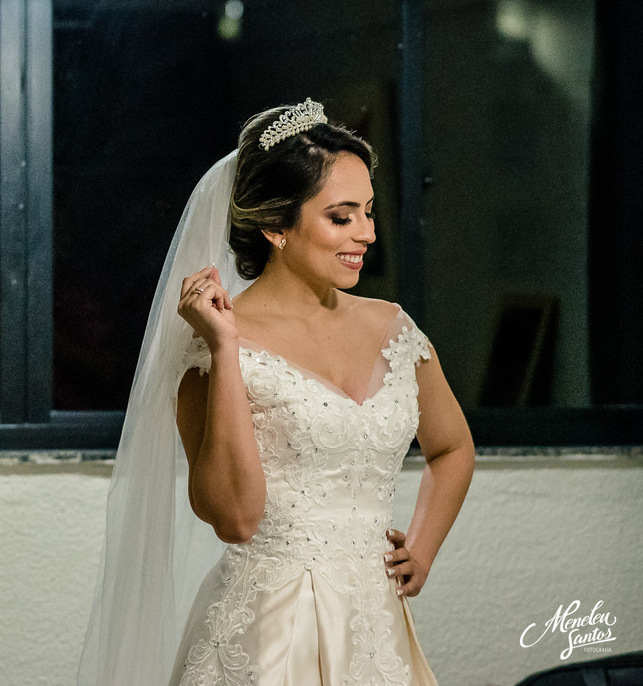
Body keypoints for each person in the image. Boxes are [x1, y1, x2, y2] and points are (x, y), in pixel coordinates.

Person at [76, 100, 475, 686]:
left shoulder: (394, 327)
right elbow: (235, 519)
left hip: (377, 630)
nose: (367, 233)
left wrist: (422, 548)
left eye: (368, 212)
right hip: (265, 637)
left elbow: (452, 447)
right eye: (341, 217)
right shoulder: (212, 350)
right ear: (275, 227)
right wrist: (225, 348)